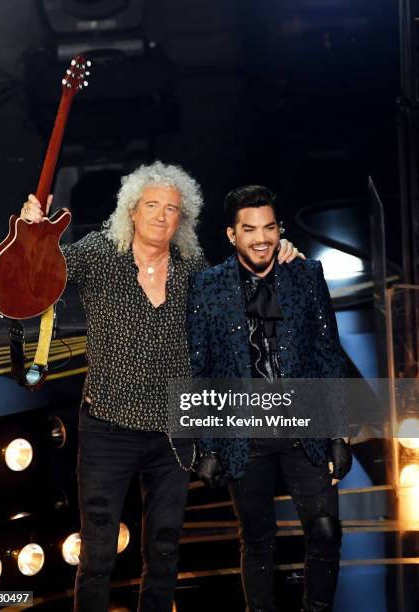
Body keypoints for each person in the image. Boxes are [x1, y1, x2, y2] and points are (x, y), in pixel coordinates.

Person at [20, 165, 300, 612]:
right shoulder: (97, 254)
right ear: (131, 210)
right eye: (152, 205)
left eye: (172, 209)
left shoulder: (194, 269)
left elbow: (248, 305)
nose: (161, 216)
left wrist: (279, 259)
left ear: (182, 219)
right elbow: (34, 278)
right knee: (96, 555)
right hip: (107, 430)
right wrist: (31, 234)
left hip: (173, 434)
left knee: (166, 550)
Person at [187, 185, 352, 612]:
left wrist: (340, 434)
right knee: (257, 541)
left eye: (269, 227)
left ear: (279, 228)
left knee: (326, 531)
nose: (261, 238)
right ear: (230, 234)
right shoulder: (208, 287)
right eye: (249, 229)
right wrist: (206, 444)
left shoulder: (305, 274)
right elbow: (200, 371)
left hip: (306, 429)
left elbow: (328, 355)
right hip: (246, 437)